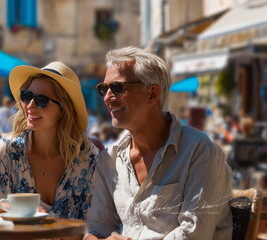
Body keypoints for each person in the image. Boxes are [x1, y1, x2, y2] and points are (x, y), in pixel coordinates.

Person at [85, 47, 232, 240]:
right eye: (104, 89)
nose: (107, 98)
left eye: (118, 88)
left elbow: (194, 234)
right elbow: (97, 227)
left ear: (152, 94)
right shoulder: (110, 160)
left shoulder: (200, 150)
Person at [0, 61, 100, 220]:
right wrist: (13, 207)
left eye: (41, 100)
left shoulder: (85, 156)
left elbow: (100, 220)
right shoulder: (9, 150)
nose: (30, 106)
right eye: (26, 96)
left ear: (63, 109)